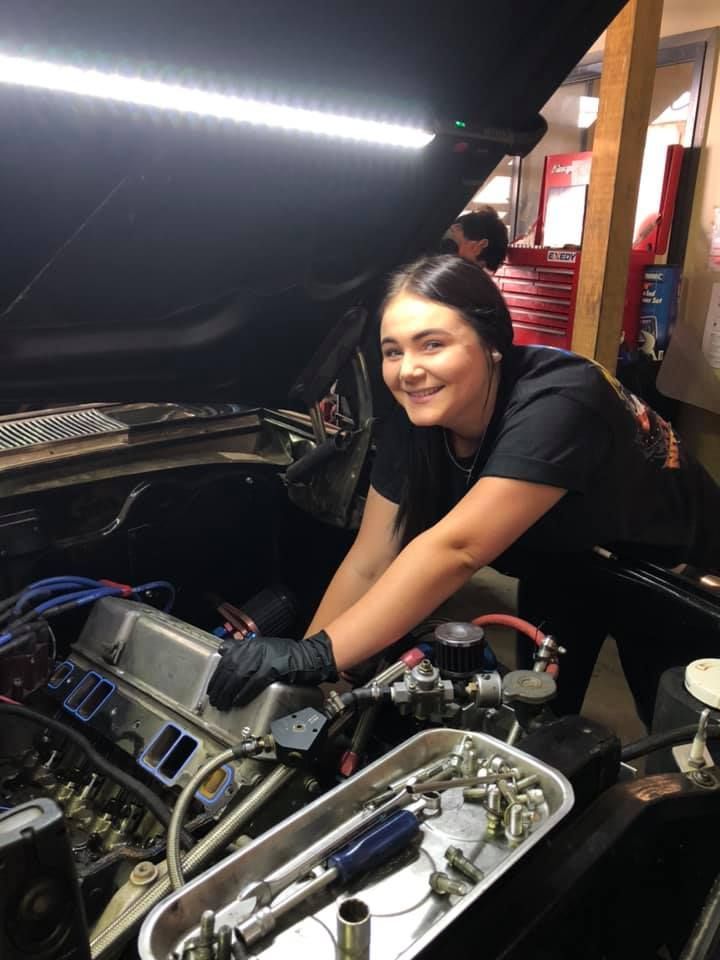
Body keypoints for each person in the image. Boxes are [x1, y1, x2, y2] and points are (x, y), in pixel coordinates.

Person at [208, 255, 720, 723]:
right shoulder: (415, 416)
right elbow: (372, 556)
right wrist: (310, 676)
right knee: (536, 711)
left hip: (676, 571)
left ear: (493, 342)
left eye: (433, 344)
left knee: (683, 734)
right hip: (561, 558)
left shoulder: (562, 400)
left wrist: (317, 655)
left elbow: (457, 548)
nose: (409, 370)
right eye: (393, 351)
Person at [440, 206, 508, 273]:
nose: (446, 252)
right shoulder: (475, 279)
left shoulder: (456, 279)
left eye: (453, 246)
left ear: (480, 246)